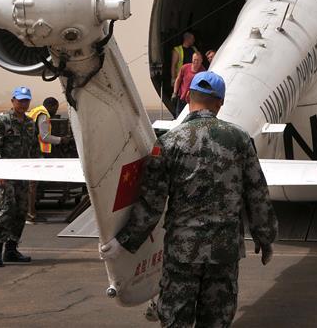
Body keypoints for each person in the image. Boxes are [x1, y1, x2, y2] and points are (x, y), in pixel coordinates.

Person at [101, 71, 278, 328]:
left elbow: (151, 203)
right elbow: (256, 193)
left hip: (182, 252)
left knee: (175, 320)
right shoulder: (239, 140)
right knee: (216, 320)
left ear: (187, 97)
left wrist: (123, 242)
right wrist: (265, 237)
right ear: (220, 102)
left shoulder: (168, 143)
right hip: (224, 251)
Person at [0, 86, 39, 267]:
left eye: (26, 100)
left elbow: (33, 150)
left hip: (23, 174)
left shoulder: (30, 123)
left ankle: (11, 249)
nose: (23, 104)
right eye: (20, 100)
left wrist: (36, 171)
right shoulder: (2, 121)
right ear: (13, 101)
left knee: (21, 211)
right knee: (7, 209)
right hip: (7, 174)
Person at [25, 97, 70, 224]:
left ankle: (29, 213)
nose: (55, 112)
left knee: (29, 185)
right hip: (34, 152)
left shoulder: (36, 110)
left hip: (27, 150)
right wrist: (61, 140)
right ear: (51, 106)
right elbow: (44, 136)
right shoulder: (44, 115)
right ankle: (30, 215)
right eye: (55, 108)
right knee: (32, 185)